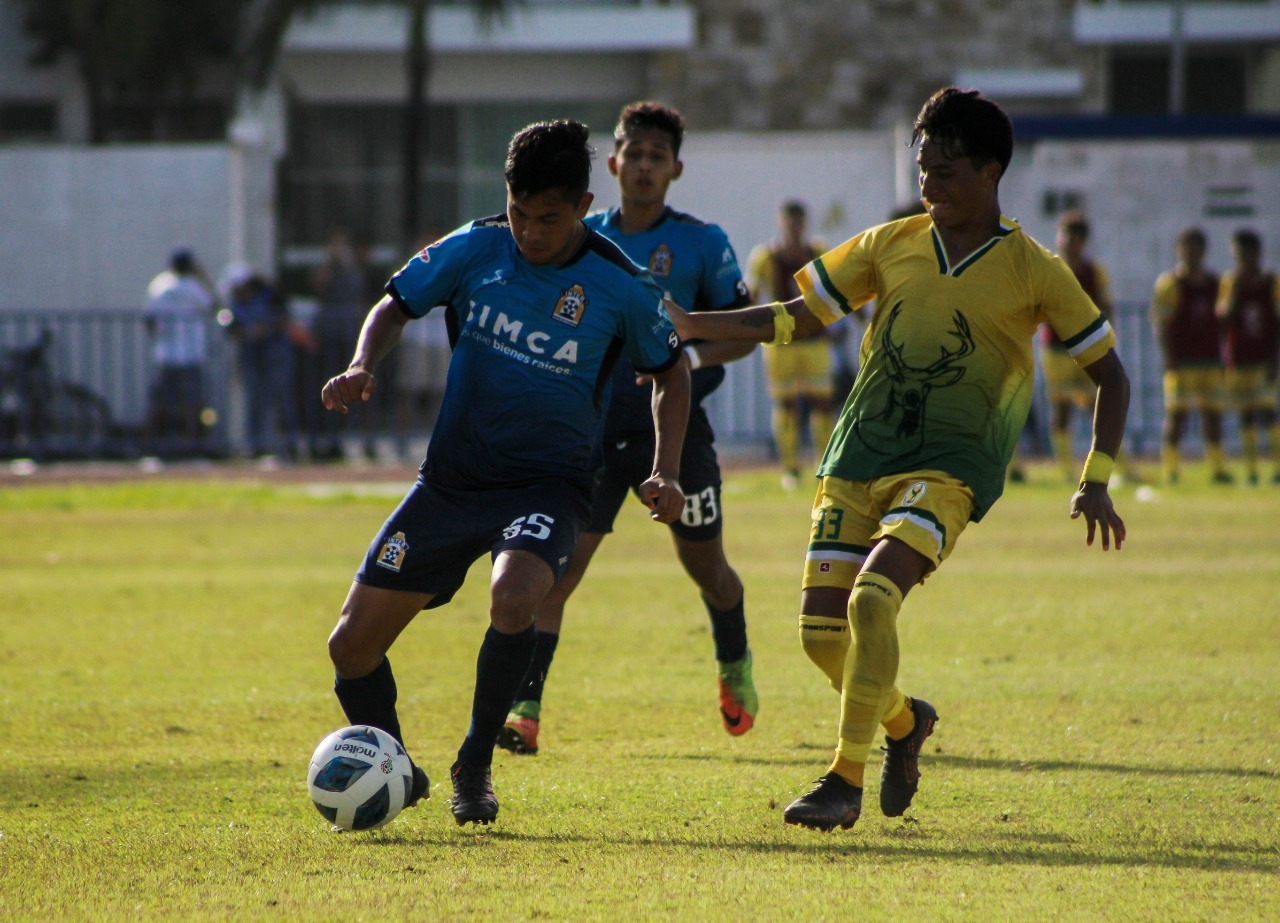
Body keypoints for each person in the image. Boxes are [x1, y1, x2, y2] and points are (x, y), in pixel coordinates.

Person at [664, 87, 1129, 833]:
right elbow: (796, 318)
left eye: (945, 171)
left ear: (990, 171)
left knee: (872, 599)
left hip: (949, 467)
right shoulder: (890, 243)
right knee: (821, 638)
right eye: (923, 169)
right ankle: (906, 721)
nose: (929, 184)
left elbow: (1111, 372)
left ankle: (842, 779)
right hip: (858, 455)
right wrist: (691, 324)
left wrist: (1096, 478)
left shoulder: (1035, 270)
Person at [319, 119, 690, 827]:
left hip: (547, 485)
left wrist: (665, 468)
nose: (529, 231)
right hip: (451, 483)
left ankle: (476, 760)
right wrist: (364, 363)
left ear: (583, 205)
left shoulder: (620, 284)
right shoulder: (477, 246)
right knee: (350, 646)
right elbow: (395, 305)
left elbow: (672, 370)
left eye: (548, 218)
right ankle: (396, 764)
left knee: (516, 593)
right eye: (519, 213)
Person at [498, 101, 758, 758]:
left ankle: (734, 662)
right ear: (613, 163)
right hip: (590, 430)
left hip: (673, 432)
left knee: (710, 571)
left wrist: (689, 353)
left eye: (656, 157)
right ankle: (524, 711)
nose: (643, 166)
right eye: (632, 154)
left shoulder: (703, 242)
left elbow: (744, 332)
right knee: (559, 573)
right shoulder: (579, 235)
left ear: (675, 168)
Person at [747, 201, 836, 489]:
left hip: (814, 338)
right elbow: (751, 294)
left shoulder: (818, 252)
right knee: (786, 405)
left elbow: (838, 285)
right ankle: (791, 470)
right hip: (781, 341)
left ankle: (825, 466)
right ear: (781, 222)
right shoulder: (765, 257)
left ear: (804, 223)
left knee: (822, 403)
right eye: (789, 222)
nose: (794, 228)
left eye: (798, 222)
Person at [1040, 212, 1122, 483]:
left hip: (1087, 348)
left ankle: (1109, 465)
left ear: (1083, 241)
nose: (1067, 241)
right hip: (1056, 348)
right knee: (1062, 408)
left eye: (1073, 237)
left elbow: (1105, 305)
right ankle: (1066, 469)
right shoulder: (1051, 268)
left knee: (1099, 404)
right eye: (1064, 234)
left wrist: (1108, 337)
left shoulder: (1093, 272)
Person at [1151, 227, 1231, 485]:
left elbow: (1223, 322)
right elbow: (1162, 325)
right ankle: (1171, 470)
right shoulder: (1170, 284)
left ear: (1204, 251)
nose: (1192, 254)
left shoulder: (1215, 283)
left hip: (1209, 360)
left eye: (1196, 248)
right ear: (1179, 250)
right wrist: (1168, 357)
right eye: (1187, 248)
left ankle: (1218, 469)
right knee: (1177, 416)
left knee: (1213, 416)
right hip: (1182, 362)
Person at [1216, 228, 1280, 485]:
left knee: (1268, 413)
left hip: (1263, 359)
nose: (1241, 260)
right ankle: (1252, 471)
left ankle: (1276, 469)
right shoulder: (1231, 282)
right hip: (1239, 360)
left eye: (1244, 254)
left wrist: (1275, 359)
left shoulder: (1270, 282)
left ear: (1256, 253)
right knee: (1246, 415)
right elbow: (1222, 318)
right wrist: (1235, 293)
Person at [143, 247, 218, 455]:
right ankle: (191, 446)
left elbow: (148, 319)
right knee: (192, 403)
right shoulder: (194, 286)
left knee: (160, 402)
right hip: (191, 353)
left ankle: (154, 446)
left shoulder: (160, 285)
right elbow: (214, 306)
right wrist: (203, 276)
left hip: (165, 353)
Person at [221, 264, 297, 460]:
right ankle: (255, 446)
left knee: (281, 401)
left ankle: (288, 446)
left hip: (275, 355)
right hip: (251, 357)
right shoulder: (237, 304)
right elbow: (231, 329)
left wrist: (262, 330)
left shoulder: (271, 296)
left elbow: (283, 319)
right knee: (254, 402)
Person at [308, 228, 367, 461]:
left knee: (351, 391)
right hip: (329, 337)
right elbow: (318, 284)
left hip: (349, 338)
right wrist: (330, 259)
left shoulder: (354, 271)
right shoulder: (330, 268)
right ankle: (322, 442)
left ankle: (343, 441)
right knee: (325, 390)